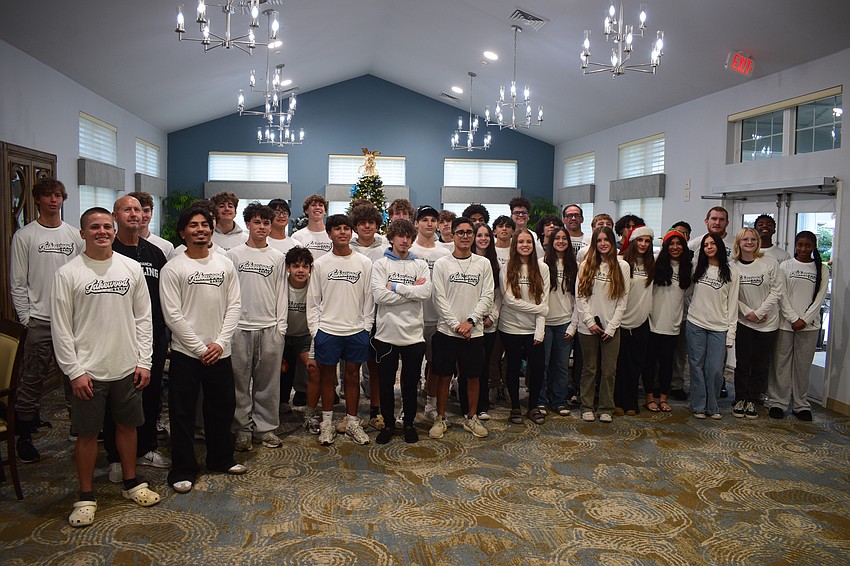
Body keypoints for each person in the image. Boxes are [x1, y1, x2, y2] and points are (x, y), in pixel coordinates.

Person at [51, 207, 159, 527]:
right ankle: (85, 495)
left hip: (127, 366)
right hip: (88, 371)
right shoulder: (68, 273)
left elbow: (143, 318)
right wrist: (74, 371)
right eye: (94, 227)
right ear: (82, 233)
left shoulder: (130, 268)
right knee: (86, 435)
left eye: (106, 227)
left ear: (114, 231)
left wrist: (144, 361)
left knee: (128, 427)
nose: (102, 231)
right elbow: (61, 328)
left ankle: (131, 482)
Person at [160, 206, 246, 494]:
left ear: (211, 230)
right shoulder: (174, 267)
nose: (200, 229)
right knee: (182, 414)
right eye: (193, 225)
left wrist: (220, 342)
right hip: (187, 354)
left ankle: (220, 458)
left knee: (222, 409)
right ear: (183, 232)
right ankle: (183, 468)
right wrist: (199, 347)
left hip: (220, 351)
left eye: (205, 225)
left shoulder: (224, 264)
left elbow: (234, 305)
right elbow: (172, 314)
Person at [10, 178, 83, 463]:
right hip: (39, 319)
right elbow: (18, 282)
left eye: (57, 195)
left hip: (72, 321)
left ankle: (79, 429)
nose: (53, 200)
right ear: (37, 199)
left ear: (63, 199)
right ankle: (24, 437)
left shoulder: (74, 236)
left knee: (74, 378)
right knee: (32, 380)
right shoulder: (25, 236)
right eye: (47, 196)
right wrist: (27, 319)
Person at [104, 196, 170, 485]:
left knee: (151, 393)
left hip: (152, 336)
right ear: (116, 216)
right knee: (115, 398)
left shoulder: (155, 253)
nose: (135, 214)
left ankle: (145, 449)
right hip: (116, 337)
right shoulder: (107, 251)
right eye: (127, 210)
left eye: (139, 210)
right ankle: (115, 457)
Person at [307, 214, 375, 446]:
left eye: (347, 228)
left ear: (352, 232)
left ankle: (352, 422)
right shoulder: (320, 264)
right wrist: (316, 330)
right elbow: (313, 300)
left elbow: (369, 298)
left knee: (352, 377)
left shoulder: (364, 263)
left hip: (356, 330)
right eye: (337, 229)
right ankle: (327, 423)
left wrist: (366, 326)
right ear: (329, 234)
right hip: (327, 330)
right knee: (328, 378)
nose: (343, 232)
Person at [226, 203, 288, 450]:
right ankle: (242, 428)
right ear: (248, 224)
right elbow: (228, 294)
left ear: (270, 226)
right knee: (239, 383)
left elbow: (282, 293)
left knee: (267, 384)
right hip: (239, 328)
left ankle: (266, 428)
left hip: (270, 328)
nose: (261, 227)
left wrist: (280, 329)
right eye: (257, 222)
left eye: (266, 223)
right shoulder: (233, 255)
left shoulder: (277, 258)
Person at [430, 217, 494, 439]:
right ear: (452, 235)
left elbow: (488, 296)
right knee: (443, 376)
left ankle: (472, 417)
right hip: (447, 332)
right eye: (461, 232)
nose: (465, 236)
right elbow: (438, 298)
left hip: (473, 333)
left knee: (473, 377)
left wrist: (471, 322)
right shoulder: (442, 264)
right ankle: (441, 418)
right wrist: (456, 325)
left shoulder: (483, 264)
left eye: (469, 232)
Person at [370, 219, 431, 443]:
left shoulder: (421, 264)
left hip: (414, 336)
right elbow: (379, 296)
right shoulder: (380, 265)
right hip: (386, 335)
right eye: (400, 236)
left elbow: (425, 293)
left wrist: (395, 287)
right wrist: (411, 290)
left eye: (408, 237)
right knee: (386, 383)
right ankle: (387, 424)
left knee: (409, 383)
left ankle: (408, 423)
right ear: (392, 238)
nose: (404, 240)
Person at [770, 231, 829, 421]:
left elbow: (820, 298)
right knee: (781, 364)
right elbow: (781, 295)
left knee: (803, 366)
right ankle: (778, 402)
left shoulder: (822, 268)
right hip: (785, 324)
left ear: (813, 247)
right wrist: (793, 317)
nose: (803, 249)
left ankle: (801, 404)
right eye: (800, 245)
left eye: (808, 245)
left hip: (809, 327)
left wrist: (805, 319)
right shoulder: (785, 266)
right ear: (795, 245)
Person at [575, 226, 629, 423]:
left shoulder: (622, 266)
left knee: (609, 370)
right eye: (599, 240)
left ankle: (606, 407)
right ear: (594, 244)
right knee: (589, 368)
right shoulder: (586, 265)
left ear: (613, 243)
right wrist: (589, 322)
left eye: (607, 240)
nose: (603, 243)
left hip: (611, 328)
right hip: (587, 327)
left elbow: (623, 300)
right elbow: (580, 297)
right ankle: (587, 406)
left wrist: (612, 326)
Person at [730, 227, 782, 419]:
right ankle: (740, 398)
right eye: (745, 240)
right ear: (738, 243)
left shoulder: (769, 263)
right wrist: (748, 313)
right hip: (744, 321)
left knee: (760, 364)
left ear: (757, 242)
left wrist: (760, 312)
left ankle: (752, 399)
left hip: (768, 323)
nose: (749, 243)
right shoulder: (732, 266)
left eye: (753, 239)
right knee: (742, 363)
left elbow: (777, 291)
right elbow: (731, 295)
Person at [499, 229, 550, 424]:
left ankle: (533, 406)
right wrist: (538, 309)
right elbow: (510, 301)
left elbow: (545, 301)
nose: (525, 245)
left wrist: (539, 329)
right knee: (512, 367)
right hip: (510, 327)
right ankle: (514, 407)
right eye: (521, 242)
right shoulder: (507, 268)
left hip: (533, 329)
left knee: (537, 367)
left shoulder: (542, 268)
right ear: (515, 245)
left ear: (533, 245)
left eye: (528, 241)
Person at [687, 233, 739, 420]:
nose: (709, 247)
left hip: (719, 327)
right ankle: (698, 405)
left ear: (719, 246)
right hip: (696, 324)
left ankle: (712, 405)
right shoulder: (697, 268)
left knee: (715, 369)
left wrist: (730, 334)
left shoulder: (732, 272)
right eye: (705, 244)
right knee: (696, 366)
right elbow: (687, 292)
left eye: (712, 243)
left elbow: (733, 305)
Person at [642, 230, 692, 413]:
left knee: (667, 363)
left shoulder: (688, 268)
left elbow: (687, 294)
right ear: (665, 246)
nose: (675, 247)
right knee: (649, 362)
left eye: (679, 243)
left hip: (673, 324)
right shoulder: (655, 264)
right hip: (652, 321)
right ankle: (649, 397)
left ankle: (663, 398)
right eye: (671, 243)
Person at [410, 206, 452, 422]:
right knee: (412, 364)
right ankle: (407, 405)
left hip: (438, 318)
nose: (429, 223)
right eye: (424, 219)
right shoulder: (410, 250)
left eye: (433, 220)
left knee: (435, 364)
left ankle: (431, 403)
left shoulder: (444, 252)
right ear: (416, 223)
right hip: (414, 317)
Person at [350, 202, 387, 429]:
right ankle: (350, 413)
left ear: (377, 225)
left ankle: (376, 409)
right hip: (352, 312)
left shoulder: (385, 249)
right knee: (352, 367)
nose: (366, 226)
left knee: (375, 365)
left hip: (378, 314)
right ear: (355, 226)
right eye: (362, 223)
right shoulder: (347, 247)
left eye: (371, 223)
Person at [278, 247, 322, 433]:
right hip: (283, 336)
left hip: (305, 337)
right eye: (296, 266)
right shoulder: (280, 286)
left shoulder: (314, 285)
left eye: (305, 266)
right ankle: (274, 409)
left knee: (314, 370)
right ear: (288, 268)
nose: (301, 270)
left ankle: (310, 415)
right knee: (277, 373)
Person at [613, 226, 655, 415]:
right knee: (619, 364)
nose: (643, 244)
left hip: (641, 322)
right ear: (632, 242)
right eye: (640, 240)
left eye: (647, 241)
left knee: (636, 364)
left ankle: (631, 402)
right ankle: (617, 401)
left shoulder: (651, 264)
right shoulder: (620, 262)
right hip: (620, 321)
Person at [538, 226, 578, 417]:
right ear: (550, 241)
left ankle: (560, 401)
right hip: (544, 322)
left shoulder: (574, 266)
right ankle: (540, 401)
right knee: (543, 365)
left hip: (565, 322)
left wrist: (574, 324)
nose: (561, 241)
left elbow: (579, 298)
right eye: (557, 238)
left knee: (561, 365)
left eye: (564, 238)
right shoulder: (540, 264)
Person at [467, 222, 501, 421]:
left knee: (485, 365)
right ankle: (467, 404)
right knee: (469, 367)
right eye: (479, 235)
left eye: (486, 235)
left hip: (489, 323)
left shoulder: (495, 265)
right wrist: (474, 318)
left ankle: (482, 406)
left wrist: (491, 316)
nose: (483, 239)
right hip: (469, 322)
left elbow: (498, 296)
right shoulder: (467, 261)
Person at [668, 220, 693, 401]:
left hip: (684, 315)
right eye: (675, 235)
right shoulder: (660, 262)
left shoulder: (691, 264)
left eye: (683, 235)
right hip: (662, 314)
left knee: (679, 354)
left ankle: (676, 384)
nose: (678, 240)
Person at [128, 191, 174, 258]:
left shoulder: (166, 246)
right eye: (138, 210)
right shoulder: (114, 244)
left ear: (151, 213)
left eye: (146, 211)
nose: (143, 215)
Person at [291, 194, 333, 259]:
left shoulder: (332, 235)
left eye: (321, 205)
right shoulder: (296, 236)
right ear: (306, 211)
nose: (317, 207)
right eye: (313, 205)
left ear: (325, 211)